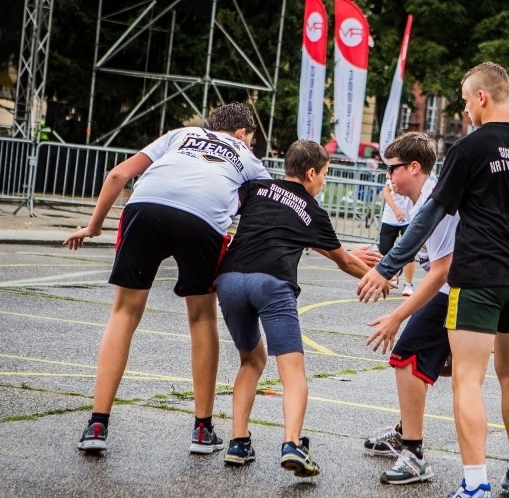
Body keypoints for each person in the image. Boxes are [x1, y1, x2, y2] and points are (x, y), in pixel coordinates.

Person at [356, 62, 509, 498]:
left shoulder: (470, 148)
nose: (464, 108)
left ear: (482, 97)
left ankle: (475, 483)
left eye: (464, 99)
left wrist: (388, 266)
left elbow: (428, 217)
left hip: (478, 278)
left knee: (468, 379)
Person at [66, 102, 270, 453]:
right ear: (241, 134)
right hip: (201, 220)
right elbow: (274, 206)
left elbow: (117, 176)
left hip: (145, 206)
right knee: (201, 318)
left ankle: (97, 424)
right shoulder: (248, 158)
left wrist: (94, 227)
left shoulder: (180, 135)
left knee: (124, 312)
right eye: (250, 140)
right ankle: (202, 430)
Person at [213, 140, 371, 477]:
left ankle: (238, 442)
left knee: (250, 361)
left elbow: (272, 223)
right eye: (324, 174)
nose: (324, 181)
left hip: (229, 280)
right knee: (292, 372)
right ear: (311, 173)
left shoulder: (256, 188)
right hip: (272, 283)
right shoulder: (312, 210)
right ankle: (292, 444)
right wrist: (379, 278)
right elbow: (344, 262)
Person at [361, 132, 458, 484]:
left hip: (453, 291)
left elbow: (443, 270)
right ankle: (405, 431)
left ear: (414, 167)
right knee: (425, 364)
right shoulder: (422, 203)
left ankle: (414, 455)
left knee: (406, 358)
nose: (388, 176)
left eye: (393, 169)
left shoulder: (436, 203)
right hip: (446, 290)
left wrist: (397, 316)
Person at [379, 177, 417, 296]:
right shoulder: (394, 173)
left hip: (409, 218)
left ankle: (408, 284)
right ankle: (393, 274)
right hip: (390, 217)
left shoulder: (415, 175)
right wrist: (396, 210)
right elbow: (386, 191)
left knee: (409, 252)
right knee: (384, 249)